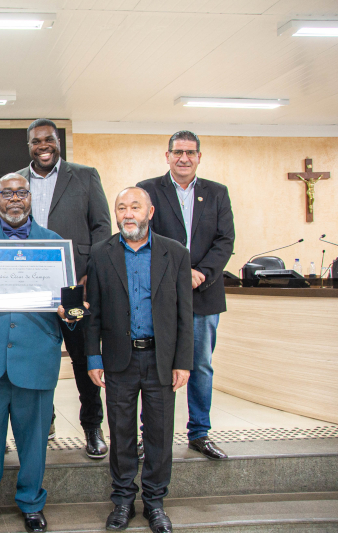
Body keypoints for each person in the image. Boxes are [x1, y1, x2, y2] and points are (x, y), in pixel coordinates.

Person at [0, 174, 82, 533]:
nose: (14, 199)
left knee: (35, 441)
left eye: (21, 192)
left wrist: (69, 309)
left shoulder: (54, 244)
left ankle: (31, 503)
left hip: (35, 355)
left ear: (30, 198)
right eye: (6, 193)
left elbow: (70, 302)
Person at [85, 187, 193, 533]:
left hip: (162, 360)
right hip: (119, 359)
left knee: (160, 433)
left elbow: (184, 314)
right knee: (121, 431)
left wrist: (183, 361)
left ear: (150, 211)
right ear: (115, 214)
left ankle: (155, 502)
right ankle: (122, 500)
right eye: (121, 208)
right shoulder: (102, 254)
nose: (128, 213)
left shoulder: (174, 253)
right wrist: (92, 356)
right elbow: (94, 312)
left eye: (135, 207)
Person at [15, 118, 111, 459]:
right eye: (36, 141)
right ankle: (47, 420)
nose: (43, 146)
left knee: (83, 356)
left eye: (49, 140)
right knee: (37, 359)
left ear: (58, 142)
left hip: (74, 287)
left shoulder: (85, 176)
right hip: (32, 289)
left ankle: (92, 426)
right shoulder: (16, 182)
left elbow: (101, 227)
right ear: (28, 145)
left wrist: (92, 276)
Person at [137, 131, 235, 460]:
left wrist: (201, 273)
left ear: (199, 157)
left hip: (204, 293)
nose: (184, 158)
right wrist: (177, 275)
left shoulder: (217, 193)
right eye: (177, 152)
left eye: (190, 152)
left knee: (200, 365)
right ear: (167, 156)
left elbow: (225, 241)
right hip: (160, 295)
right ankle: (150, 434)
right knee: (156, 365)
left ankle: (199, 433)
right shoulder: (148, 190)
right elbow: (141, 236)